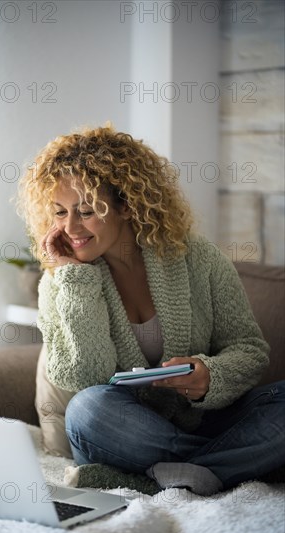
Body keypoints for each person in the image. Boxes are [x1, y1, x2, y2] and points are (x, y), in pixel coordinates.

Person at [17, 124, 284, 495]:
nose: (70, 227)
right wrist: (76, 282)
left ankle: (163, 478)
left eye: (87, 211)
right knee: (88, 409)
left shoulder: (198, 259)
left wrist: (209, 376)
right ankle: (223, 466)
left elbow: (249, 349)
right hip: (123, 434)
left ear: (126, 204)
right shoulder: (59, 282)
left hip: (203, 420)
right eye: (59, 212)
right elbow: (83, 378)